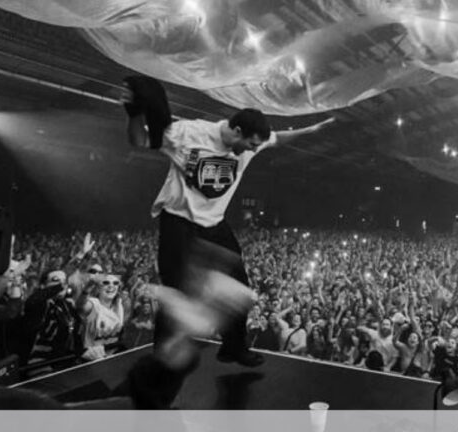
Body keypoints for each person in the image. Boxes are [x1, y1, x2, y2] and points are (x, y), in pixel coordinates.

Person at [120, 75, 333, 408]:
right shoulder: (189, 133)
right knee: (178, 296)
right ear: (235, 131)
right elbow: (138, 141)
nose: (252, 150)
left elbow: (279, 138)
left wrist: (311, 130)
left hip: (214, 224)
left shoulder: (252, 141)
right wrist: (134, 113)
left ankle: (234, 347)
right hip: (179, 222)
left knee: (241, 288)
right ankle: (159, 368)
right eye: (249, 144)